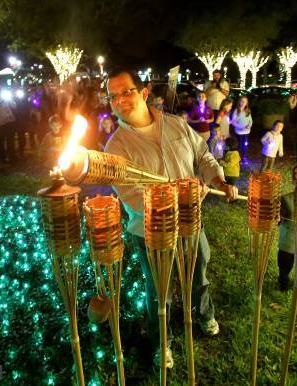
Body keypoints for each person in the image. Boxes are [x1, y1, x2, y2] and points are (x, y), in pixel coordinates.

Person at [104, 67, 237, 369]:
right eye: (113, 96)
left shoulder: (176, 125)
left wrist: (217, 181)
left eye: (126, 91)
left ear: (144, 92)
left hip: (192, 223)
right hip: (151, 232)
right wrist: (180, 196)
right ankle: (162, 341)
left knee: (198, 272)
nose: (120, 100)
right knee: (158, 291)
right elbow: (130, 195)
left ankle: (203, 314)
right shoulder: (116, 147)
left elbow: (202, 155)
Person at [0, 86, 17, 164]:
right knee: (0, 141)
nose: (0, 90)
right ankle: (2, 157)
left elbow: (14, 106)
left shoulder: (6, 97)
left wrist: (10, 99)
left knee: (10, 140)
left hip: (9, 121)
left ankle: (12, 155)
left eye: (1, 89)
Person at [230, 96, 253, 160]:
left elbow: (250, 120)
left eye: (244, 101)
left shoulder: (248, 111)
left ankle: (244, 156)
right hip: (239, 132)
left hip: (246, 132)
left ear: (247, 103)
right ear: (239, 102)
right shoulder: (236, 111)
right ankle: (238, 157)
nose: (243, 102)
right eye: (241, 101)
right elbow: (233, 122)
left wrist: (249, 126)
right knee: (239, 145)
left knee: (245, 145)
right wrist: (240, 127)